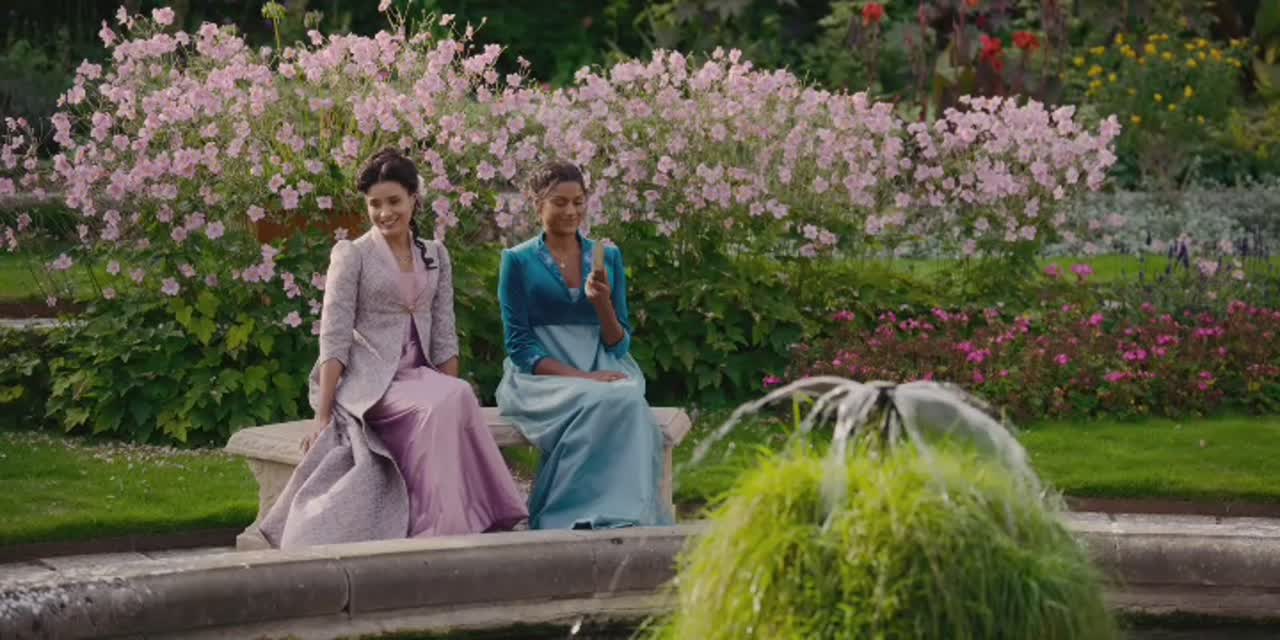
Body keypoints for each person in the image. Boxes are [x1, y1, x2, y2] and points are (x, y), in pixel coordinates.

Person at [257, 148, 528, 549]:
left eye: (393, 201)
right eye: (375, 204)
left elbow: (444, 331)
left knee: (456, 395)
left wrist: (445, 386)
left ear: (413, 199)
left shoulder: (435, 254)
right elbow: (334, 335)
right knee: (440, 403)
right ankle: (435, 528)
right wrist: (323, 415)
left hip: (420, 375)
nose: (385, 213)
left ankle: (459, 519)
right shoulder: (352, 254)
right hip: (371, 382)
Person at [495, 159, 671, 530]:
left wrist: (602, 303)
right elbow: (519, 346)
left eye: (578, 202)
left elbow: (619, 345)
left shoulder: (609, 257)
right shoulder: (517, 261)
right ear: (537, 204)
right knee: (602, 398)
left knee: (626, 400)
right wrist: (583, 379)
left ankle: (624, 512)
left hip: (603, 364)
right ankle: (562, 513)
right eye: (559, 202)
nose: (571, 211)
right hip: (542, 376)